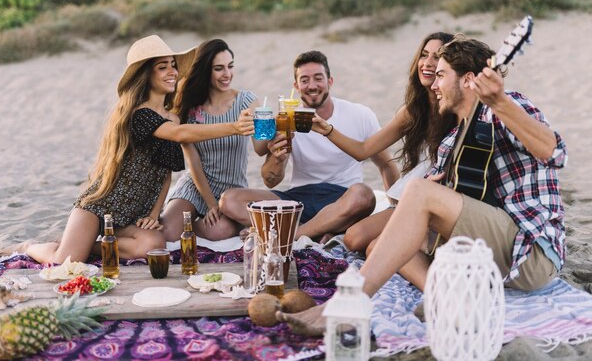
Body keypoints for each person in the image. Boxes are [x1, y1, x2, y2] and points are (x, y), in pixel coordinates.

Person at [278, 35, 567, 335]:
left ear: (468, 80)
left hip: (529, 249)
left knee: (417, 192)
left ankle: (349, 302)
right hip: (488, 252)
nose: (434, 84)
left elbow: (555, 153)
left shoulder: (506, 106)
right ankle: (446, 298)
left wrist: (500, 101)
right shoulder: (455, 136)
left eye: (441, 75)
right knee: (382, 246)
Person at [5, 35, 255, 264]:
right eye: (162, 67)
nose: (172, 72)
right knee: (64, 261)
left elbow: (165, 173)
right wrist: (234, 127)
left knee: (154, 245)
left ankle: (88, 243)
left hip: (133, 216)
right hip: (101, 207)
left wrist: (155, 214)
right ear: (146, 75)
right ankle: (30, 246)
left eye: (173, 65)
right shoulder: (140, 114)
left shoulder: (172, 117)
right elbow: (179, 134)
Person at [219, 50, 399, 242]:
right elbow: (270, 181)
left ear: (330, 81)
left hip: (343, 198)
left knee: (364, 194)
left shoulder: (360, 114)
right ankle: (319, 230)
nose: (312, 86)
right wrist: (278, 159)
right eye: (304, 80)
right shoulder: (286, 119)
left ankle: (291, 234)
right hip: (299, 198)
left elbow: (386, 164)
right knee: (230, 200)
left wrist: (395, 209)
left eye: (318, 78)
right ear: (296, 86)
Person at [310, 32, 455, 255]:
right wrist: (326, 130)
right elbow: (364, 150)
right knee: (354, 238)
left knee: (358, 240)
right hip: (415, 197)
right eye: (424, 55)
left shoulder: (458, 106)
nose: (426, 63)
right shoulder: (413, 111)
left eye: (436, 57)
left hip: (444, 201)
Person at [160, 39, 267, 242]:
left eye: (230, 66)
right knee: (168, 234)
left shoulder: (247, 101)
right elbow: (193, 162)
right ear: (205, 71)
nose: (227, 74)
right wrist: (210, 204)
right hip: (196, 185)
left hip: (232, 190)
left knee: (220, 231)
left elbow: (261, 149)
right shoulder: (190, 108)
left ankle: (192, 230)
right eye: (219, 68)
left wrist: (273, 134)